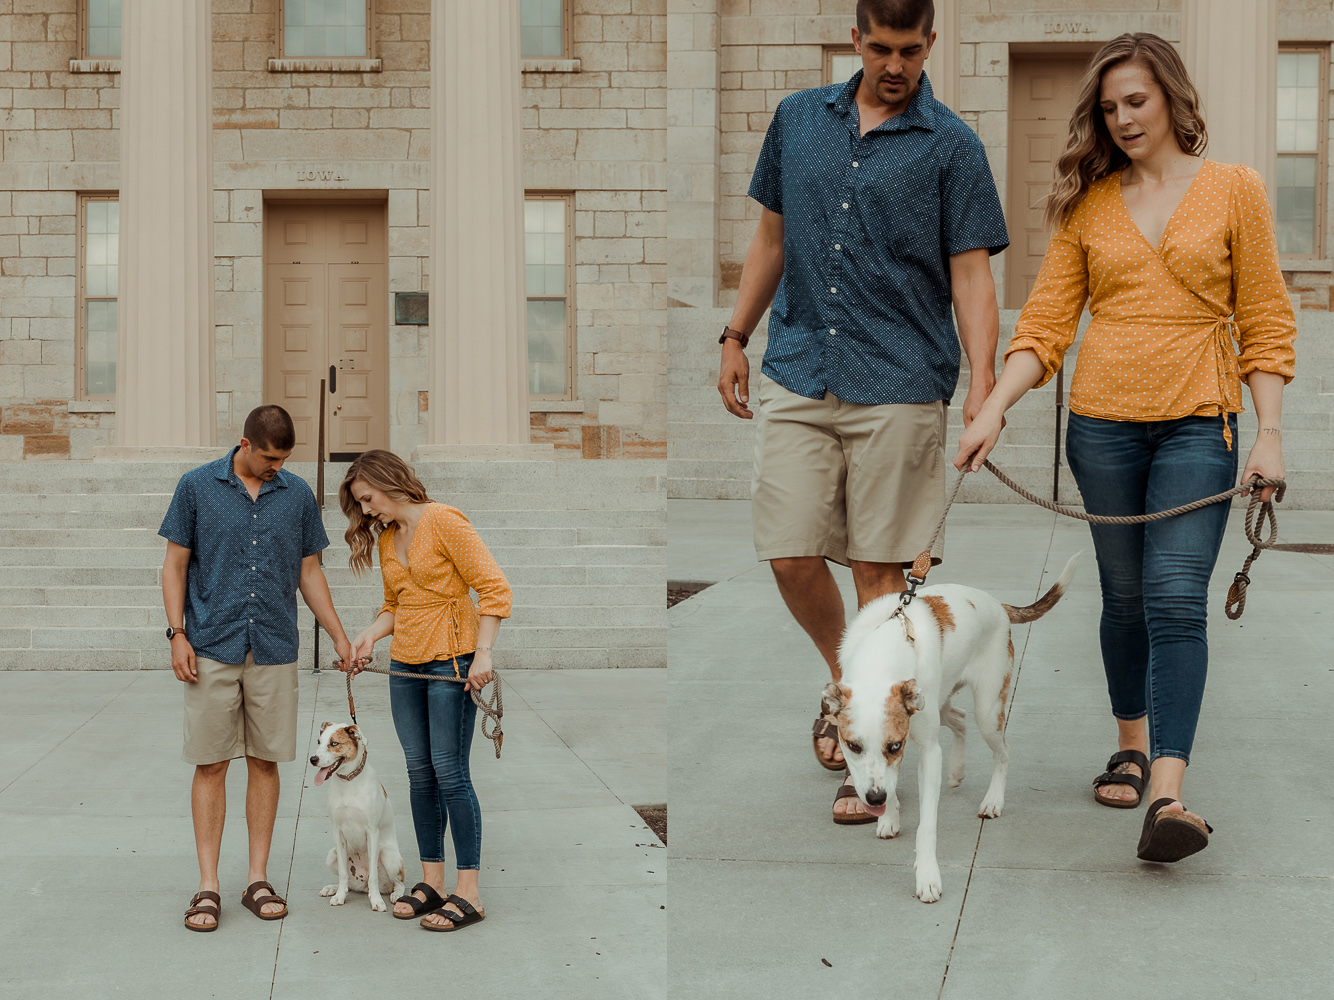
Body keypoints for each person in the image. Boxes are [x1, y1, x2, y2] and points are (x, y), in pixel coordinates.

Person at [955, 33, 1295, 861]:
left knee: (1177, 597)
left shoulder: (1235, 189)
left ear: (1172, 97)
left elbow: (1265, 319)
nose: (1122, 118)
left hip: (1200, 421)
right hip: (1102, 426)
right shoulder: (1089, 203)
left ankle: (1168, 795)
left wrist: (1270, 434)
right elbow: (1046, 323)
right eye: (1109, 108)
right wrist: (993, 407)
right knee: (1127, 597)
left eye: (1136, 100)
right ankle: (1131, 745)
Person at [716, 0, 1008, 823]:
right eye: (880, 48)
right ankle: (847, 684)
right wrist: (735, 334)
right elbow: (771, 239)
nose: (894, 65)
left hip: (902, 378)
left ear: (930, 43)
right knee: (788, 553)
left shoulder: (953, 146)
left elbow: (972, 275)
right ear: (855, 39)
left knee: (881, 578)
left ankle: (867, 748)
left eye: (909, 50)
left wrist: (983, 382)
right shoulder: (799, 120)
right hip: (801, 367)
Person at [161, 405, 355, 931]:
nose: (277, 467)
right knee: (211, 764)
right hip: (210, 645)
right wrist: (177, 634)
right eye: (270, 457)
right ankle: (207, 886)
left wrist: (339, 636)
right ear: (244, 444)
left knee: (265, 762)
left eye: (284, 459)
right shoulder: (196, 486)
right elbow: (175, 564)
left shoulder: (296, 494)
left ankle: (257, 879)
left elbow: (309, 571)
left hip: (274, 646)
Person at [338, 450, 511, 931]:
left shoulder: (444, 520)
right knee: (419, 774)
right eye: (360, 503)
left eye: (368, 498)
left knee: (450, 774)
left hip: (452, 663)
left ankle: (469, 892)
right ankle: (432, 881)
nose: (366, 510)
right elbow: (397, 603)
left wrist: (484, 653)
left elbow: (494, 588)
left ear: (389, 482)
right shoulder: (388, 536)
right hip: (405, 667)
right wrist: (370, 635)